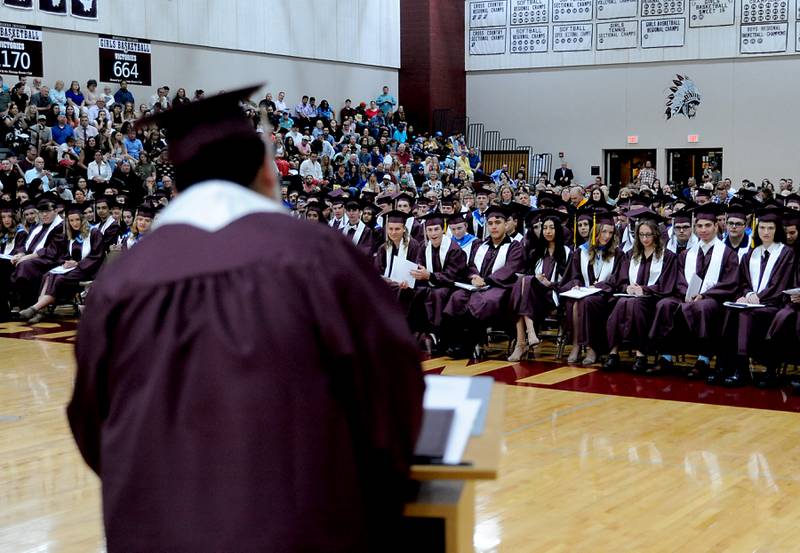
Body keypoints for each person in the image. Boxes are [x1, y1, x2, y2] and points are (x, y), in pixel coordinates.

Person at [67, 86, 424, 552]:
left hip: (153, 531)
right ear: (265, 172)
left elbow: (92, 421)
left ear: (174, 186)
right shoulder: (317, 256)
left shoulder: (121, 281)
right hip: (300, 528)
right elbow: (391, 390)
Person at [650, 204, 739, 378]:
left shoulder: (727, 254)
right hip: (687, 297)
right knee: (665, 304)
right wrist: (688, 293)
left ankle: (703, 359)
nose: (703, 230)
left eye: (707, 225)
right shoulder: (687, 254)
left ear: (716, 226)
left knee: (703, 307)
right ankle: (666, 358)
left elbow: (730, 283)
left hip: (714, 300)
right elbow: (679, 279)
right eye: (699, 226)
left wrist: (704, 295)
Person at [711, 207, 795, 387]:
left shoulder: (785, 253)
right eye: (762, 228)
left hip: (774, 304)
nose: (766, 232)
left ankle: (755, 371)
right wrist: (747, 294)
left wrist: (759, 297)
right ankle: (727, 366)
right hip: (753, 303)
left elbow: (780, 283)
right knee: (730, 312)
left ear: (777, 230)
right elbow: (742, 281)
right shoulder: (752, 254)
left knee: (745, 316)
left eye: (770, 228)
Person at [442, 205, 525, 359]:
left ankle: (468, 345)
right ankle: (453, 343)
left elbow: (510, 269)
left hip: (501, 287)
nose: (493, 226)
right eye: (490, 223)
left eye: (497, 222)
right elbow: (471, 265)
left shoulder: (514, 246)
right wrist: (474, 277)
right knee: (457, 297)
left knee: (484, 301)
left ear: (506, 224)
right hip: (477, 286)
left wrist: (486, 280)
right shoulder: (480, 244)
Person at [604, 210, 678, 374]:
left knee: (635, 304)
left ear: (656, 235)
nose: (645, 239)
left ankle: (641, 355)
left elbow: (667, 284)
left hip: (653, 299)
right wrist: (627, 288)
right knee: (620, 302)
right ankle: (613, 353)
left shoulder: (668, 257)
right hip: (630, 297)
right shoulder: (631, 254)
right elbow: (620, 280)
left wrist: (644, 290)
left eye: (649, 235)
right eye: (641, 235)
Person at [18, 204, 105, 323]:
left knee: (58, 279)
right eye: (71, 220)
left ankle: (35, 308)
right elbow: (63, 254)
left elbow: (97, 256)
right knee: (48, 275)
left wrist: (78, 264)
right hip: (72, 268)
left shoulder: (95, 233)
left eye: (77, 220)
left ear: (83, 219)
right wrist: (66, 262)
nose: (75, 223)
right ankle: (40, 311)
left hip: (88, 270)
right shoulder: (70, 235)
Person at [560, 210, 625, 365]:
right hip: (584, 292)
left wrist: (600, 286)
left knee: (588, 302)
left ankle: (591, 347)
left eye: (610, 232)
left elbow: (618, 278)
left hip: (606, 296)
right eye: (604, 232)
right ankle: (576, 345)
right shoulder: (580, 251)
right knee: (573, 303)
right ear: (596, 232)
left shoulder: (618, 254)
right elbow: (574, 275)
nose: (607, 236)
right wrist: (576, 285)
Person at [508, 209, 572, 362]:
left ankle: (522, 342)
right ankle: (527, 335)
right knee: (523, 281)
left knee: (523, 284)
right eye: (545, 228)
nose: (547, 231)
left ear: (558, 229)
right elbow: (526, 276)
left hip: (552, 297)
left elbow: (570, 281)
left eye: (551, 227)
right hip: (534, 297)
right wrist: (536, 279)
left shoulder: (567, 252)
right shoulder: (535, 253)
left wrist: (551, 283)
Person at [408, 212, 467, 350]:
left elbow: (451, 276)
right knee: (416, 292)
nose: (433, 233)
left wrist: (430, 276)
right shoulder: (424, 247)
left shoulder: (453, 249)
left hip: (452, 286)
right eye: (429, 230)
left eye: (436, 229)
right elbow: (420, 266)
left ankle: (439, 334)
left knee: (437, 294)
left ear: (443, 230)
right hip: (431, 284)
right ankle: (420, 334)